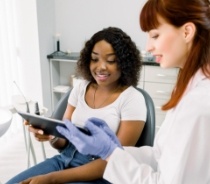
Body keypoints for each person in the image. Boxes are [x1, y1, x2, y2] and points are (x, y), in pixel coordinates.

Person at [56, 0, 210, 183]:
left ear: (187, 32)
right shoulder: (187, 86)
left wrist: (109, 153)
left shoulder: (199, 102)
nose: (148, 47)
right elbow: (159, 156)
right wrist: (113, 150)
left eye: (155, 35)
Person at [6, 27, 147, 184]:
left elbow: (116, 162)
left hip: (101, 173)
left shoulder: (133, 99)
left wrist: (51, 179)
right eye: (95, 59)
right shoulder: (81, 88)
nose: (101, 67)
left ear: (124, 63)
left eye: (111, 60)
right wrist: (50, 134)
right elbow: (63, 141)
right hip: (65, 159)